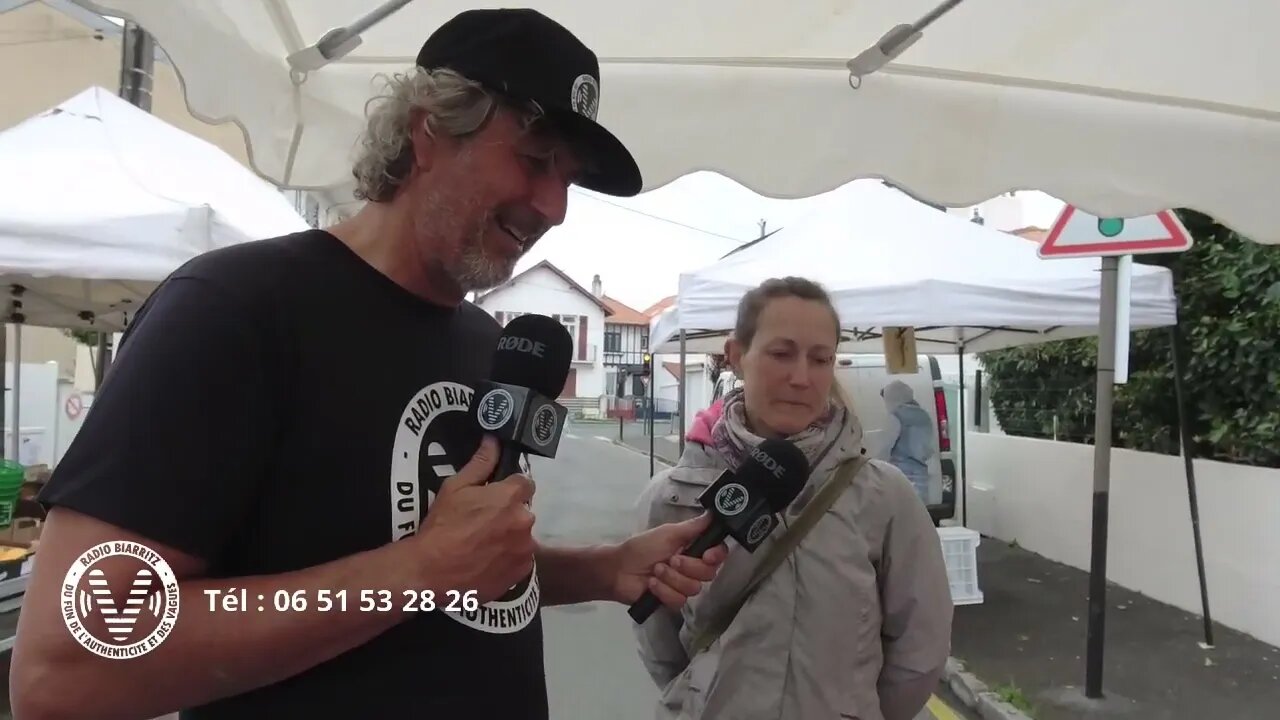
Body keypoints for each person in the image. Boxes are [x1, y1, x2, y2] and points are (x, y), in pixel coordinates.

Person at [10, 9, 727, 719]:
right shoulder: (234, 310)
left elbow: (461, 567)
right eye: (536, 159)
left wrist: (604, 568)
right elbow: (66, 666)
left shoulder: (483, 342)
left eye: (568, 179)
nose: (554, 207)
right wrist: (416, 573)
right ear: (429, 131)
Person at [632, 277, 954, 720]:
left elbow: (920, 644)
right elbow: (660, 643)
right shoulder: (673, 497)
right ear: (737, 356)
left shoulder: (885, 498)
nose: (801, 378)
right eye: (781, 354)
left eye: (820, 359)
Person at [879, 379, 938, 504]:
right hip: (920, 474)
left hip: (900, 473)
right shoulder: (923, 416)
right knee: (918, 512)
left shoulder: (895, 416)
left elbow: (886, 445)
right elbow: (930, 447)